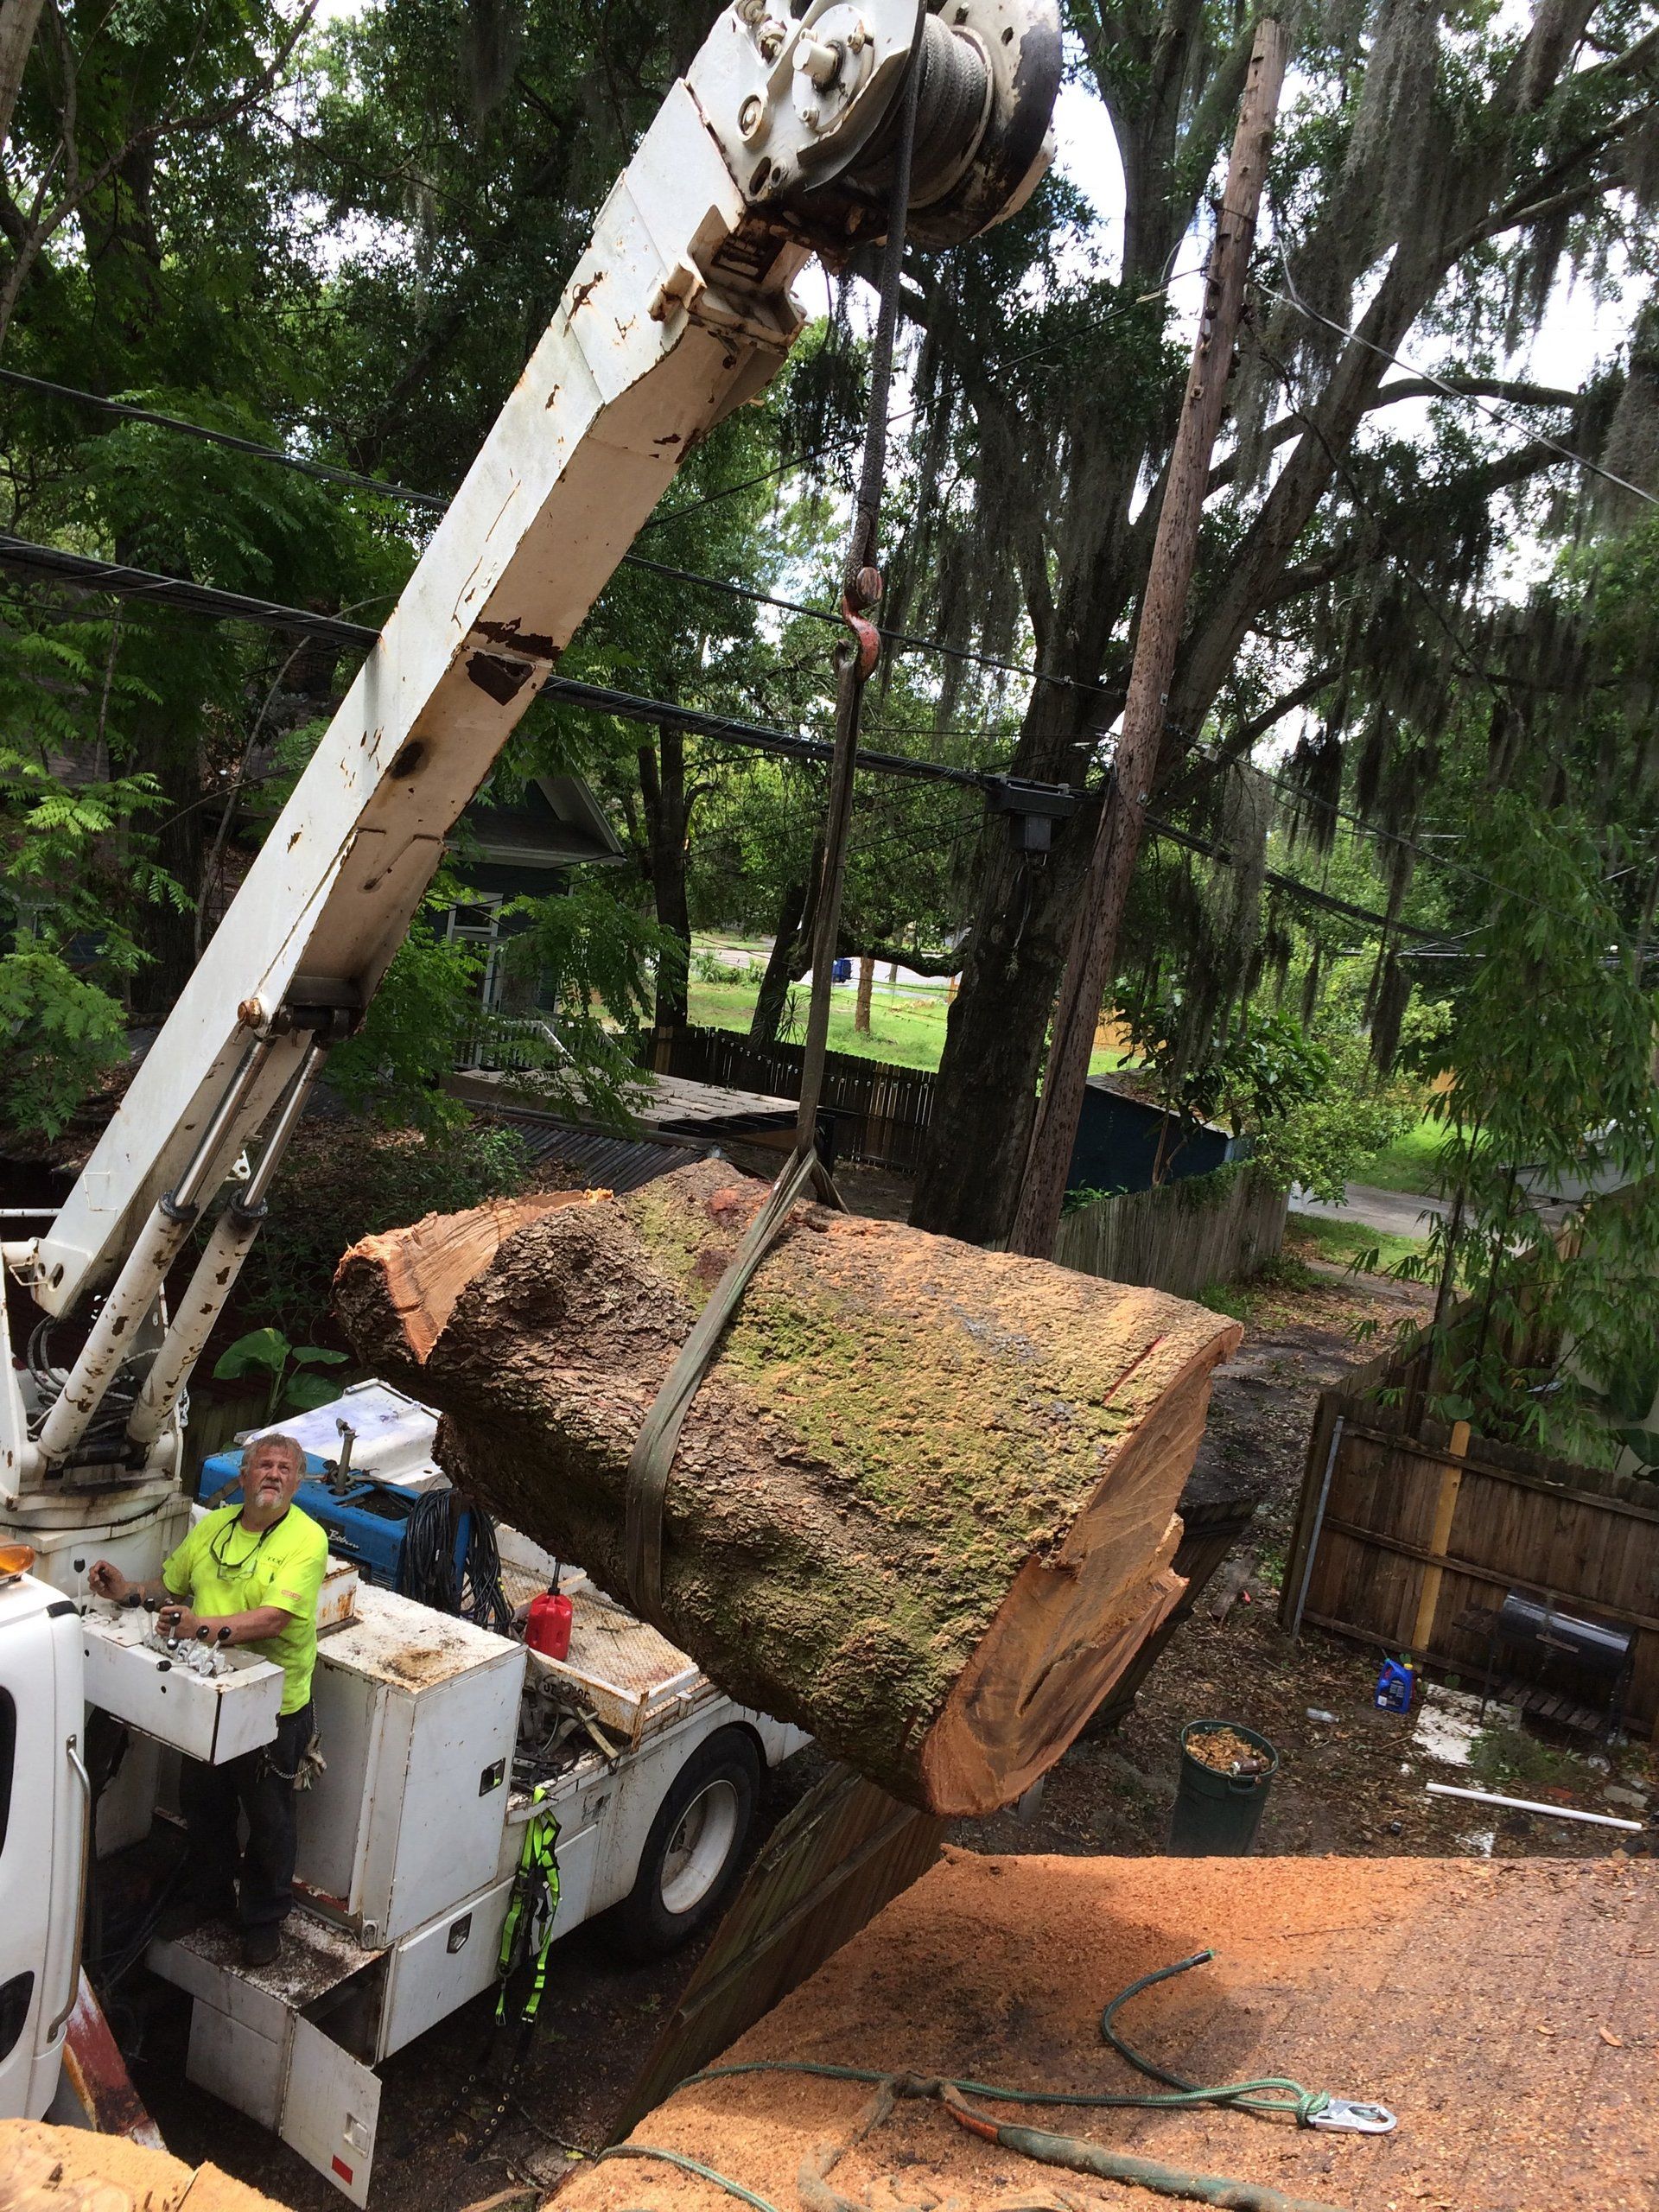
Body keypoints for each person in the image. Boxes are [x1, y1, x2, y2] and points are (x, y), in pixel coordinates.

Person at [90, 1431, 327, 1967]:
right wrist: (126, 1591)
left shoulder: (307, 1540)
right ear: (242, 1476)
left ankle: (264, 1919)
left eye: (284, 1468)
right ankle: (211, 1896)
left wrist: (201, 1628)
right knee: (203, 1802)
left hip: (273, 1705)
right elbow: (170, 1591)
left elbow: (274, 1618)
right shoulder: (213, 1527)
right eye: (262, 1465)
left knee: (269, 1818)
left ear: (297, 1481)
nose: (272, 1474)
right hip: (208, 1696)